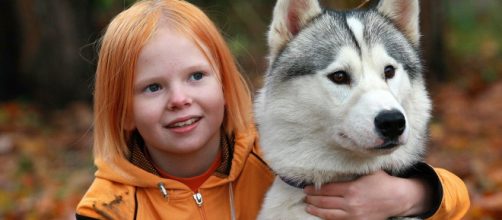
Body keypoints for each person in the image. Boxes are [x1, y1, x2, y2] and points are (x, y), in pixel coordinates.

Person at [76, 0, 469, 219]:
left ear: (226, 86)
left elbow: (457, 195)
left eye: (196, 77)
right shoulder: (111, 208)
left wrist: (411, 194)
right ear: (122, 112)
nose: (179, 99)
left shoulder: (264, 158)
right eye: (152, 87)